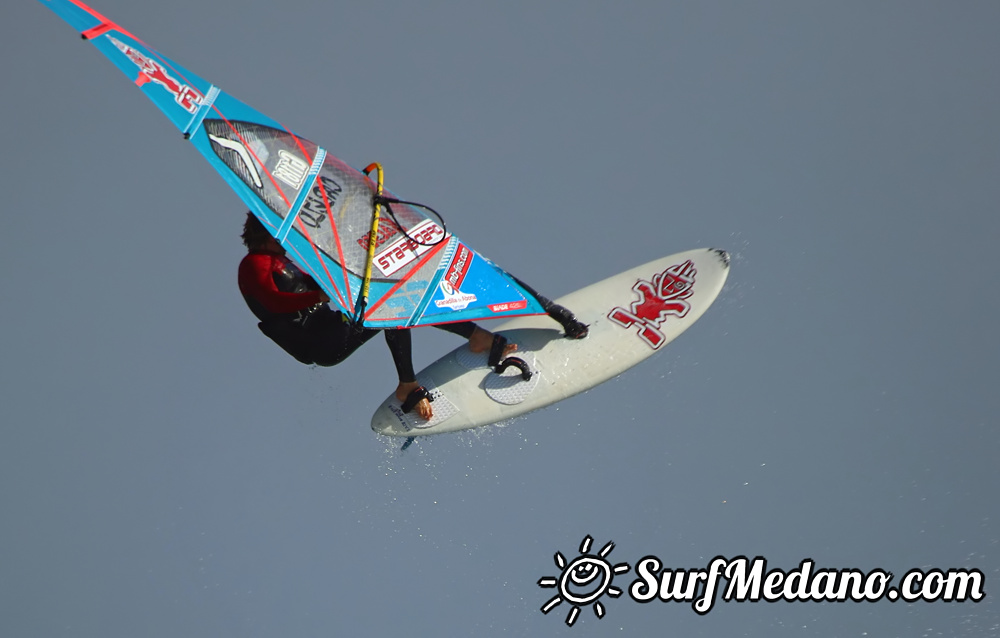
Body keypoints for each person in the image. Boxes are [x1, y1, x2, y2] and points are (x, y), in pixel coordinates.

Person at [237, 212, 587, 419]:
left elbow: (326, 278)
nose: (287, 235)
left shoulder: (283, 261)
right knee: (391, 310)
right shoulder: (253, 265)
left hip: (333, 325)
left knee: (402, 298)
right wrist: (322, 292)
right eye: (279, 229)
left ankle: (477, 336)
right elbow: (276, 302)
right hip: (322, 342)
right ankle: (408, 386)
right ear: (266, 231)